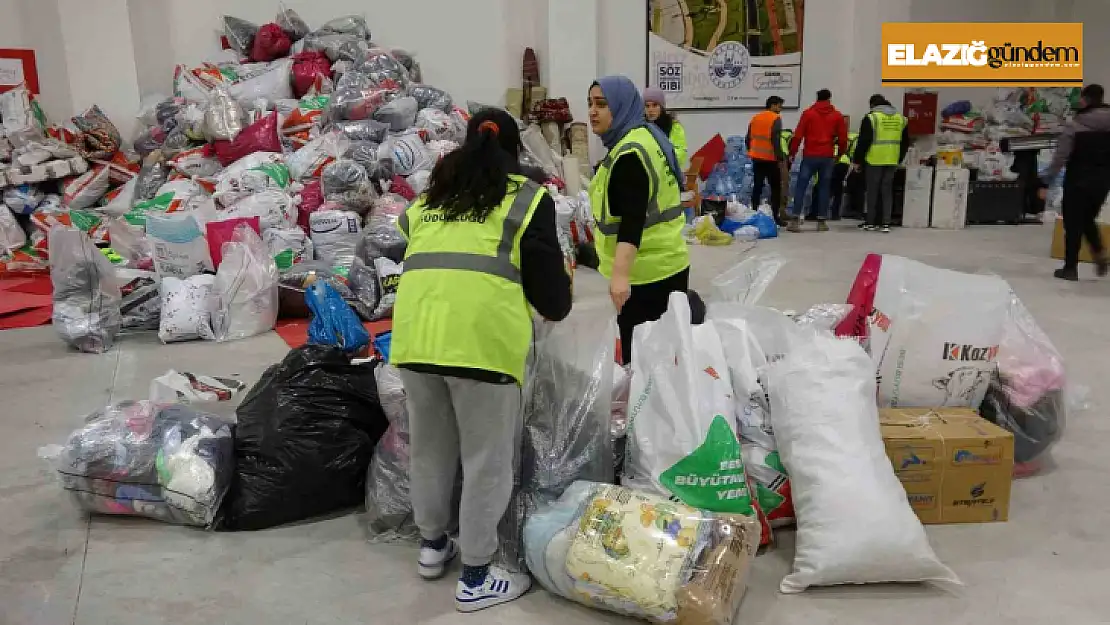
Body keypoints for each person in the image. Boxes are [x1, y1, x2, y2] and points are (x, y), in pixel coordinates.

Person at [390, 107, 573, 612]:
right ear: (515, 152)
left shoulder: (428, 203)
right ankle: (475, 574)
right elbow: (553, 297)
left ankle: (432, 546)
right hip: (482, 346)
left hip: (416, 341)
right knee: (486, 461)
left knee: (430, 449)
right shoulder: (528, 200)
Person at [589, 75, 690, 365]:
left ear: (620, 107)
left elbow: (632, 222)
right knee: (663, 359)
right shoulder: (645, 136)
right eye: (590, 104)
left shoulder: (629, 155)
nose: (593, 111)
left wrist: (620, 277)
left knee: (642, 364)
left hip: (646, 275)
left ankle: (644, 410)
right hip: (668, 262)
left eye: (602, 104)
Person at [1039, 83, 1110, 281]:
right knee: (1087, 218)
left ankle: (1070, 269)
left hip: (1077, 180)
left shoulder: (1075, 124)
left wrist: (1046, 181)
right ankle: (1098, 252)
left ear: (1085, 99)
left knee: (1073, 224)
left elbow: (1060, 156)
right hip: (1102, 182)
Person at [787, 88, 848, 232]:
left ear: (817, 98)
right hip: (827, 156)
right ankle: (821, 221)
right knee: (824, 188)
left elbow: (798, 135)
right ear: (829, 98)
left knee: (801, 186)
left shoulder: (808, 114)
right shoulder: (837, 116)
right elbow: (843, 138)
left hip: (810, 155)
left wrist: (792, 153)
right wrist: (840, 154)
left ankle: (795, 220)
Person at [853, 94, 910, 233]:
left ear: (873, 105)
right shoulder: (901, 119)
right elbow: (905, 143)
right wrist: (899, 159)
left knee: (872, 191)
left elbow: (863, 142)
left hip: (874, 159)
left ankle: (871, 222)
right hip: (892, 160)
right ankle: (885, 223)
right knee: (887, 191)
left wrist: (857, 160)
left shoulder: (872, 118)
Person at [746, 95, 787, 226]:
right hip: (770, 159)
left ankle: (753, 213)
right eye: (779, 106)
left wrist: (751, 151)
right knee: (775, 188)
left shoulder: (755, 118)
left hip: (757, 158)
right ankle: (775, 217)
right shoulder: (775, 118)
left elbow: (748, 138)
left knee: (757, 187)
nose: (780, 109)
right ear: (773, 105)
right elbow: (775, 140)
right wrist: (780, 157)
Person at [644, 87, 689, 168]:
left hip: (668, 172)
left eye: (655, 105)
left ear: (661, 107)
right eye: (647, 106)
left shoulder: (674, 126)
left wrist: (659, 159)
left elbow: (680, 154)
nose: (650, 110)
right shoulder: (641, 126)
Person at [825, 125, 858, 220]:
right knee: (838, 190)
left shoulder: (830, 135)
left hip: (831, 161)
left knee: (828, 188)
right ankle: (835, 214)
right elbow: (853, 153)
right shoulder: (852, 137)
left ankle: (823, 212)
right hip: (844, 163)